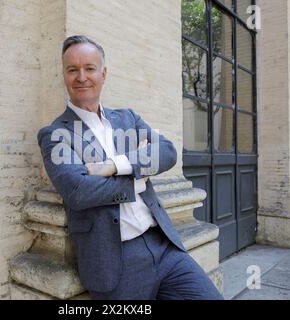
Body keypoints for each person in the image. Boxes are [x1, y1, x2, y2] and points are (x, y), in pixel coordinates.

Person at [37, 35, 223, 300]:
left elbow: (167, 152)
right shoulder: (55, 134)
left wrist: (114, 165)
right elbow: (77, 191)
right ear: (64, 75)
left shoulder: (128, 118)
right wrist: (138, 176)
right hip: (115, 262)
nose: (81, 77)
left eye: (89, 68)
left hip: (164, 246)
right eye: (72, 69)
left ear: (103, 73)